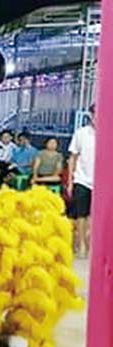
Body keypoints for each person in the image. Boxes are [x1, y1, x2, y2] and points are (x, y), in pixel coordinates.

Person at [67, 104, 96, 258]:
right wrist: (71, 181)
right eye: (95, 114)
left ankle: (91, 243)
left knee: (94, 216)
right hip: (82, 179)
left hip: (101, 183)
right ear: (91, 115)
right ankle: (82, 245)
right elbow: (73, 158)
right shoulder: (81, 133)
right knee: (81, 214)